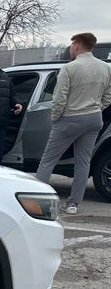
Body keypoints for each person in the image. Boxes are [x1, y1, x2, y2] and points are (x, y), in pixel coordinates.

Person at [34, 32, 111, 214]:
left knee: (47, 161)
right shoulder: (105, 68)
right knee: (83, 162)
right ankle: (73, 204)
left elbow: (59, 98)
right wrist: (97, 109)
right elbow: (108, 96)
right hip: (93, 118)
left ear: (76, 45)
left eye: (71, 45)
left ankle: (38, 200)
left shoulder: (69, 68)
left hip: (70, 118)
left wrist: (55, 117)